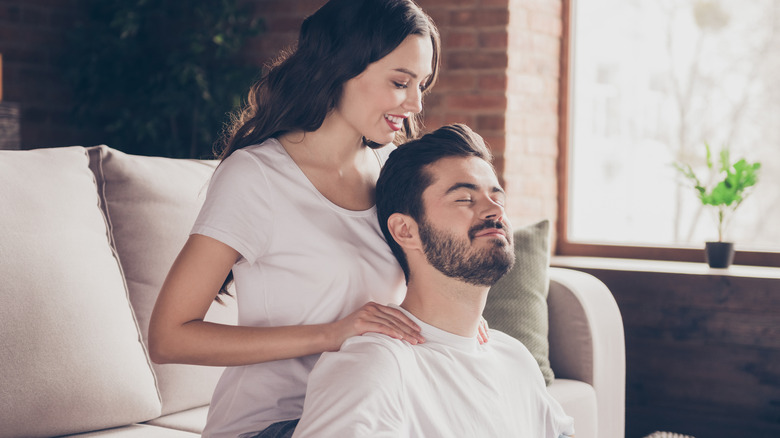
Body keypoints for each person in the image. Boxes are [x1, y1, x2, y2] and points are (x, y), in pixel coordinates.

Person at [146, 1, 458, 437]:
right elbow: (168, 337)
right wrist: (333, 333)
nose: (416, 102)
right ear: (340, 67)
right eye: (400, 82)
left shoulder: (394, 170)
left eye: (422, 84)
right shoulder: (256, 176)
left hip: (374, 408)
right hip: (273, 423)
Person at [292, 124, 576, 438]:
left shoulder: (513, 357)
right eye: (465, 199)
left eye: (498, 198)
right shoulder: (375, 365)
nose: (495, 210)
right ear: (405, 231)